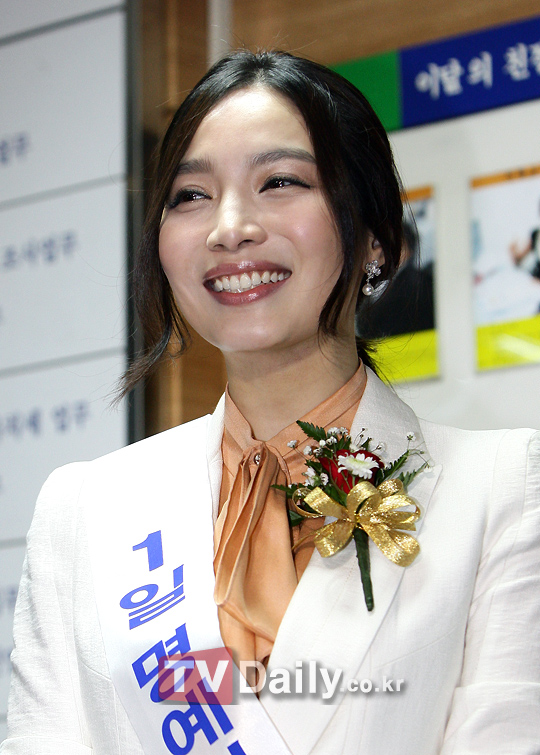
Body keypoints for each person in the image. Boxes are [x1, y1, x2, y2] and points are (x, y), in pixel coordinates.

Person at [2, 50, 539, 755]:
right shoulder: (84, 511)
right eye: (190, 195)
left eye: (280, 181)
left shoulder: (502, 487)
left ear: (375, 237)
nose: (230, 226)